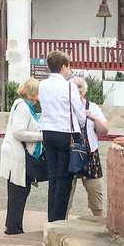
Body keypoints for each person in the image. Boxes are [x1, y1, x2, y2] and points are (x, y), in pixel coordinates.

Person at [36, 50, 85, 222]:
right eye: (68, 66)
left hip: (48, 132)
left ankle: (51, 217)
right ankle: (58, 220)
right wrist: (83, 121)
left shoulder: (42, 85)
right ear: (64, 66)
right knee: (64, 178)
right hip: (65, 132)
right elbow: (78, 111)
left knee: (53, 176)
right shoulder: (69, 85)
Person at [0, 78, 44, 235]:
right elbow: (18, 132)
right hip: (18, 157)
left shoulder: (26, 106)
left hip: (19, 156)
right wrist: (41, 136)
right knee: (18, 192)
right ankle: (14, 228)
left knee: (19, 192)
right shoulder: (23, 108)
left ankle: (13, 225)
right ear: (33, 93)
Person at [68, 78, 109, 218]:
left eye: (80, 86)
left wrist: (94, 118)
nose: (77, 89)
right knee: (65, 195)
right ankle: (61, 225)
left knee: (95, 195)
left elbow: (104, 130)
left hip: (91, 155)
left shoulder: (93, 107)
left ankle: (99, 226)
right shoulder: (65, 107)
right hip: (70, 154)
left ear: (85, 90)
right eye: (74, 86)